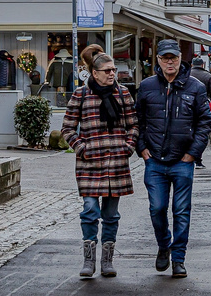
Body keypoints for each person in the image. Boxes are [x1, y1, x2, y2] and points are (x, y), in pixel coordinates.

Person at [134, 40, 211, 278]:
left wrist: (193, 153)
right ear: (158, 60)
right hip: (155, 160)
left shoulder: (195, 87)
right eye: (165, 58)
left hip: (182, 161)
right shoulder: (147, 86)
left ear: (180, 59)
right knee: (157, 208)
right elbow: (137, 121)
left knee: (181, 211)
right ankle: (163, 244)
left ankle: (178, 258)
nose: (170, 62)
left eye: (174, 57)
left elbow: (205, 123)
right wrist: (142, 149)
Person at [63, 52, 139, 279]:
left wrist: (128, 146)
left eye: (113, 70)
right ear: (94, 73)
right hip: (90, 164)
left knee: (111, 214)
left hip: (116, 162)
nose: (112, 74)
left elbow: (134, 125)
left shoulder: (123, 93)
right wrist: (81, 148)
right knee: (89, 211)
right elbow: (67, 128)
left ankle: (107, 261)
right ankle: (89, 260)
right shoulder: (81, 94)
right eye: (107, 71)